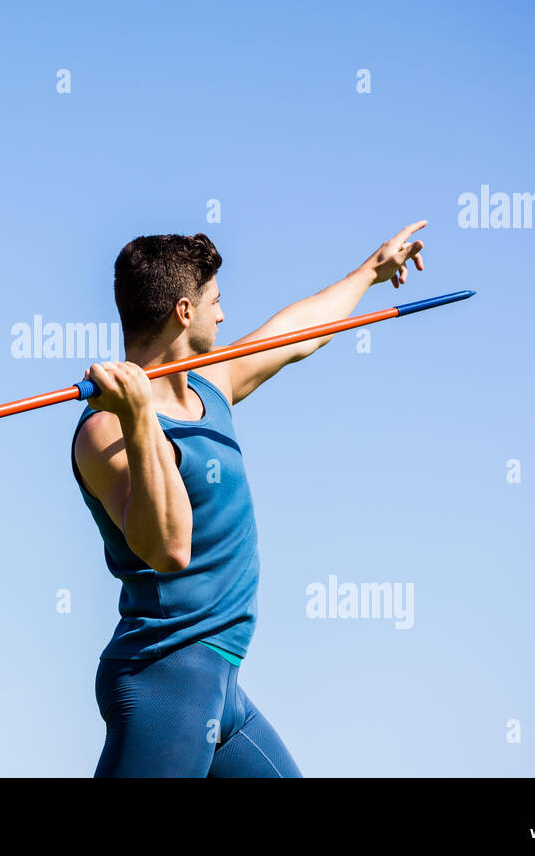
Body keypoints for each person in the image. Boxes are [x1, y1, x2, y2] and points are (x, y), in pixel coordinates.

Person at [71, 221, 427, 776]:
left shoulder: (211, 383)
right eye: (214, 301)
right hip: (166, 681)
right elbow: (168, 547)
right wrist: (140, 416)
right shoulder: (105, 433)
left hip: (222, 683)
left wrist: (370, 273)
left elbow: (297, 333)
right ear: (183, 312)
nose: (222, 314)